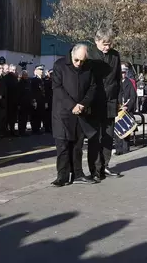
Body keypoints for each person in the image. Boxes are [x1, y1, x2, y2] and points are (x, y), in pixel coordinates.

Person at [51, 44, 97, 186]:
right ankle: (62, 176)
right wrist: (72, 105)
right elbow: (57, 88)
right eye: (77, 60)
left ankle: (77, 174)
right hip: (63, 112)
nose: (79, 64)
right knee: (63, 145)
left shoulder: (88, 67)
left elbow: (92, 87)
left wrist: (83, 104)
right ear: (72, 55)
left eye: (82, 61)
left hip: (80, 112)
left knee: (77, 145)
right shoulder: (60, 65)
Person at [87, 28, 122, 180]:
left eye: (109, 44)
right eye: (104, 44)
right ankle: (95, 169)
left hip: (111, 101)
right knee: (96, 136)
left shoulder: (115, 55)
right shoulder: (90, 54)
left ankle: (105, 165)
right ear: (96, 41)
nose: (107, 47)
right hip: (95, 101)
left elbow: (118, 79)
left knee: (108, 135)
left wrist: (119, 99)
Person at [116, 64, 136, 155]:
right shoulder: (116, 83)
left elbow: (133, 97)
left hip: (127, 110)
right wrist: (118, 106)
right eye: (121, 73)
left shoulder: (129, 83)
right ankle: (118, 149)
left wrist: (127, 107)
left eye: (124, 73)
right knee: (117, 131)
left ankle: (126, 148)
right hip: (118, 110)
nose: (122, 75)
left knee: (126, 130)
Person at [30, 65, 47, 135]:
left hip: (42, 100)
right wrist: (34, 100)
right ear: (36, 71)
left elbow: (44, 91)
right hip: (36, 100)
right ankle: (35, 129)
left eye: (42, 70)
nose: (41, 71)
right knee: (35, 115)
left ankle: (38, 128)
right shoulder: (33, 80)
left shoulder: (42, 80)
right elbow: (32, 91)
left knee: (40, 114)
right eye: (40, 70)